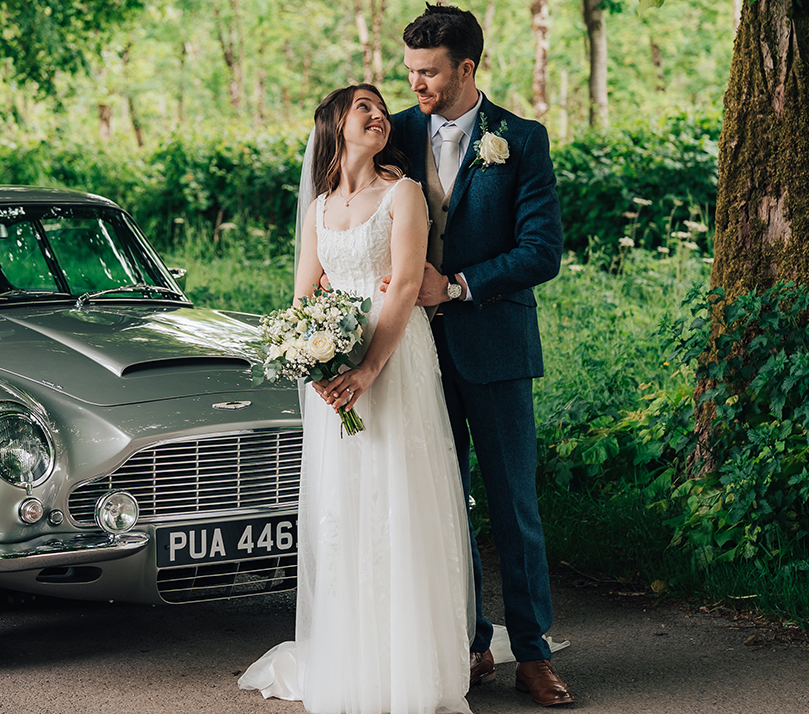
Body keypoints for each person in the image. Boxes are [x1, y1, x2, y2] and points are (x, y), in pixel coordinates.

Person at [238, 83, 476, 714]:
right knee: (345, 512)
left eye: (379, 107)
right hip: (332, 366)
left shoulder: (404, 194)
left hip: (394, 360)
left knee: (398, 496)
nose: (377, 114)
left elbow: (401, 289)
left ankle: (410, 667)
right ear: (335, 127)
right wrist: (305, 355)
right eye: (362, 106)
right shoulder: (317, 206)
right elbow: (303, 295)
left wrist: (369, 365)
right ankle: (352, 656)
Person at [378, 4, 573, 707]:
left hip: (495, 345)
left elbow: (540, 251)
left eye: (428, 72)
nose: (417, 84)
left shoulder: (521, 139)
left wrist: (456, 285)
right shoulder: (394, 132)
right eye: (410, 72)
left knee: (514, 505)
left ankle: (533, 654)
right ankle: (466, 645)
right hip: (416, 356)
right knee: (441, 504)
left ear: (468, 67)